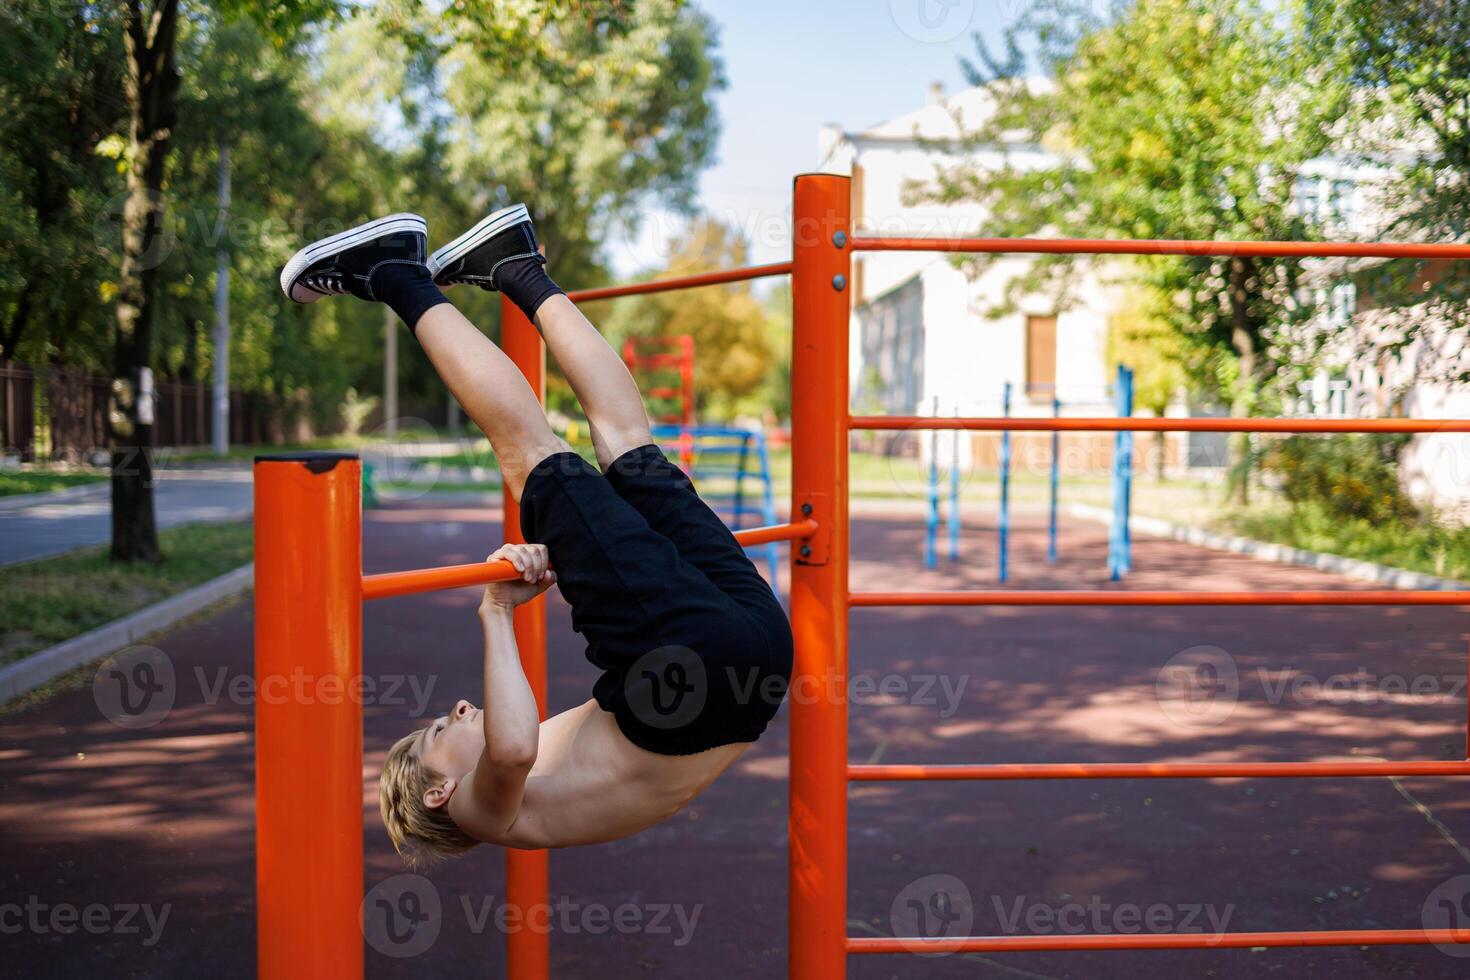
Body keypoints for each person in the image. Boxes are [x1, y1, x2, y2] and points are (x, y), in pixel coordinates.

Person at [280, 206, 793, 861]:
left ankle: (514, 266)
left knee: (631, 453)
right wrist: (494, 612)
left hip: (751, 661)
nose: (459, 708)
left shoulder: (541, 776)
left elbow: (537, 733)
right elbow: (515, 747)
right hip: (689, 669)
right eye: (441, 727)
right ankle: (393, 273)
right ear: (438, 793)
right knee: (534, 457)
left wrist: (579, 564)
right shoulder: (485, 812)